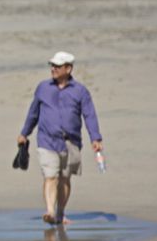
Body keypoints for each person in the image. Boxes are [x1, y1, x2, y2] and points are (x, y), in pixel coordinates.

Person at [18, 51, 102, 226]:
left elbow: (89, 115)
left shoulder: (80, 91)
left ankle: (60, 213)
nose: (53, 69)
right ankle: (49, 210)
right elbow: (33, 112)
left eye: (57, 66)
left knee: (65, 178)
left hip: (71, 142)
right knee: (51, 176)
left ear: (68, 68)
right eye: (52, 66)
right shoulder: (43, 88)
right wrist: (24, 133)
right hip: (47, 140)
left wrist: (96, 137)